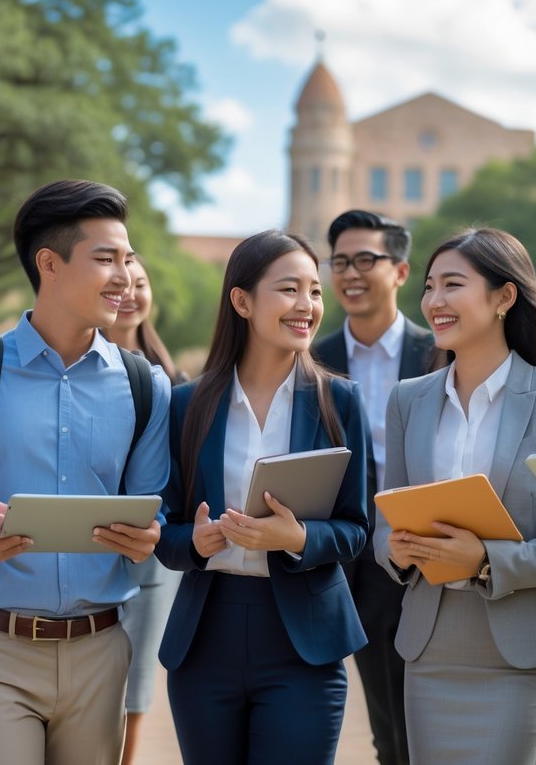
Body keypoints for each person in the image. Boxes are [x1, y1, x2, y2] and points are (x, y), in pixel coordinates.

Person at [0, 179, 170, 765]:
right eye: (105, 258)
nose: (124, 276)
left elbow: (155, 506)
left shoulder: (144, 387)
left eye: (127, 259)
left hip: (101, 650)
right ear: (48, 263)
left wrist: (149, 535)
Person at [375, 228, 536, 764]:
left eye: (453, 284)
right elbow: (385, 521)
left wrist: (486, 562)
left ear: (503, 297)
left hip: (519, 655)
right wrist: (396, 550)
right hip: (430, 649)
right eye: (429, 287)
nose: (434, 301)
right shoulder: (407, 400)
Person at [156, 230, 370, 765]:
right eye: (290, 289)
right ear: (243, 300)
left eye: (315, 292)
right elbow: (164, 527)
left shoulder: (339, 401)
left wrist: (296, 537)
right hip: (207, 637)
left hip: (303, 642)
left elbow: (356, 528)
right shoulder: (187, 405)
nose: (308, 306)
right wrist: (197, 541)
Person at [311, 209, 434, 765]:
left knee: (431, 720)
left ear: (401, 271)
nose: (351, 273)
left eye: (366, 259)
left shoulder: (439, 352)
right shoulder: (312, 359)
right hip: (339, 558)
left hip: (426, 549)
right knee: (386, 723)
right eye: (340, 261)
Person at [102, 259, 185, 765]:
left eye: (141, 283)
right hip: (88, 539)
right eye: (122, 284)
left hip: (151, 551)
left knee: (137, 680)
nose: (131, 293)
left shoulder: (173, 376)